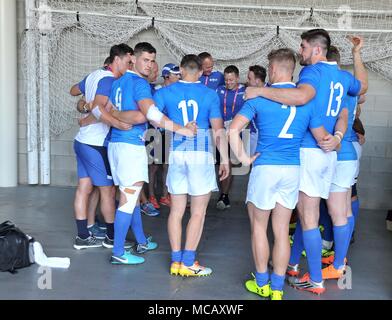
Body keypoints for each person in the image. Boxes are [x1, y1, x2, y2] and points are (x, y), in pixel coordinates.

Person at [245, 29, 368, 294]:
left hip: (310, 151)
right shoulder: (344, 77)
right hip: (331, 152)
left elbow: (300, 98)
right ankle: (312, 265)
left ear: (316, 49)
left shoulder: (312, 73)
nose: (300, 52)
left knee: (307, 218)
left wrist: (259, 91)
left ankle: (315, 279)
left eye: (302, 47)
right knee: (331, 213)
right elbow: (358, 93)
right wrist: (336, 135)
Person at [229, 48, 329, 300]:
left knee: (259, 228)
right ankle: (277, 290)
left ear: (272, 70)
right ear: (292, 70)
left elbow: (232, 130)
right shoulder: (306, 101)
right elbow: (321, 137)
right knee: (282, 230)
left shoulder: (258, 98)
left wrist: (243, 158)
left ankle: (261, 282)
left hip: (266, 168)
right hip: (291, 169)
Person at [107, 43, 197, 265]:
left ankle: (141, 241)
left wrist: (120, 116)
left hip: (116, 145)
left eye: (152, 60)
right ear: (133, 59)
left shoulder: (118, 82)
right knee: (128, 201)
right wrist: (182, 129)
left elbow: (107, 110)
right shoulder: (139, 83)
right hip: (129, 148)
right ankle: (118, 252)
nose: (149, 65)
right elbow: (150, 115)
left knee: (132, 198)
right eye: (145, 60)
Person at [153, 54, 229, 276]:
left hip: (177, 154)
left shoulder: (165, 92)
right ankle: (188, 262)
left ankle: (176, 262)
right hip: (201, 156)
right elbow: (218, 130)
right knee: (198, 213)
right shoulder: (209, 94)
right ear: (200, 72)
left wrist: (177, 127)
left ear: (181, 70)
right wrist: (224, 158)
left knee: (176, 211)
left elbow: (152, 117)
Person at [69, 44, 133, 250]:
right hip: (96, 144)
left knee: (85, 188)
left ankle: (83, 236)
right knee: (107, 191)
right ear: (116, 59)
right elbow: (98, 107)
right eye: (127, 61)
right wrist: (117, 122)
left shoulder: (94, 75)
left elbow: (73, 91)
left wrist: (85, 107)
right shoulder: (108, 80)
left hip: (82, 141)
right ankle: (112, 238)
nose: (129, 65)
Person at [147, 63, 181, 210]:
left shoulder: (178, 92)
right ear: (167, 76)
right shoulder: (157, 91)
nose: (179, 76)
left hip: (170, 132)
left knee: (167, 164)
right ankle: (151, 196)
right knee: (154, 167)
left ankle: (164, 195)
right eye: (176, 74)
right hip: (155, 132)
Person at [215, 65, 246, 210]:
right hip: (220, 131)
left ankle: (224, 195)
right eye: (226, 80)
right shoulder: (218, 90)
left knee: (231, 163)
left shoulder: (244, 91)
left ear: (238, 78)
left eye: (231, 80)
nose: (228, 83)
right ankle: (221, 194)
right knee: (222, 162)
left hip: (236, 133)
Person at [246, 65, 267, 156]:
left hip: (265, 135)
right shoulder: (248, 92)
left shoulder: (272, 92)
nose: (247, 81)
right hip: (253, 134)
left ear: (257, 81)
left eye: (249, 78)